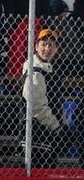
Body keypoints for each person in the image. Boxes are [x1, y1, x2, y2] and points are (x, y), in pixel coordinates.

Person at [22, 29, 70, 169]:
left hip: (45, 132)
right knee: (39, 171)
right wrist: (57, 127)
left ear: (56, 49)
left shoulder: (47, 69)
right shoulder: (35, 70)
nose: (47, 48)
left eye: (51, 45)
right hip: (36, 133)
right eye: (44, 44)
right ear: (36, 46)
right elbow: (36, 107)